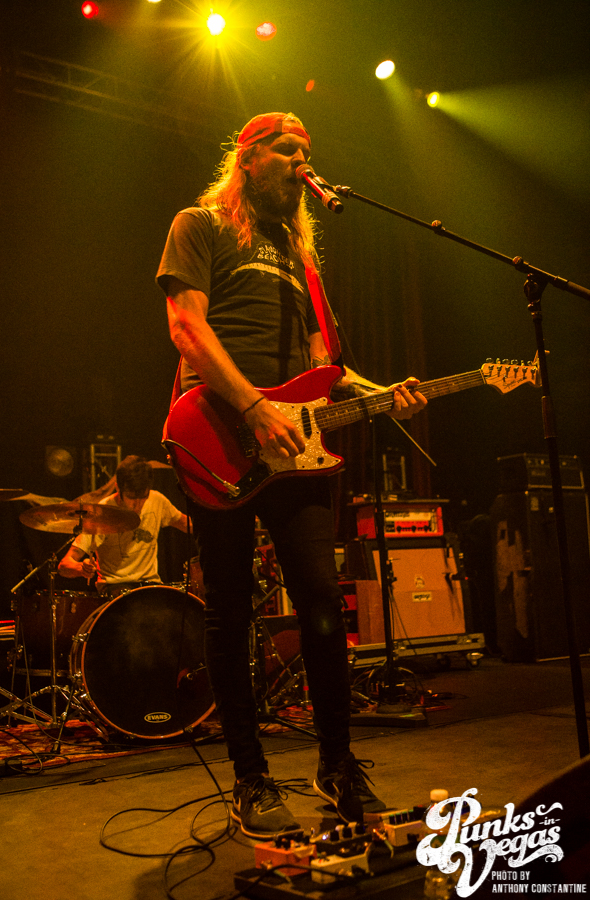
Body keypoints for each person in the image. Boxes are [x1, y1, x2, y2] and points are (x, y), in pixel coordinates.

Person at [156, 112, 427, 839]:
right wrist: (252, 408)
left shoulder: (300, 258)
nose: (302, 163)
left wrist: (382, 394)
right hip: (218, 432)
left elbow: (323, 369)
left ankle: (337, 764)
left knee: (321, 602)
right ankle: (250, 777)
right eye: (287, 151)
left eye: (308, 152)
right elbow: (186, 328)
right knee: (230, 608)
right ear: (248, 159)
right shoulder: (199, 224)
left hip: (294, 446)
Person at [58, 455, 190, 596]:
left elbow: (187, 525)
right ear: (117, 488)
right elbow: (64, 565)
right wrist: (80, 568)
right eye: (131, 497)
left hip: (150, 584)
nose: (137, 504)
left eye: (143, 497)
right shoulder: (103, 512)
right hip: (115, 586)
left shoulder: (157, 500)